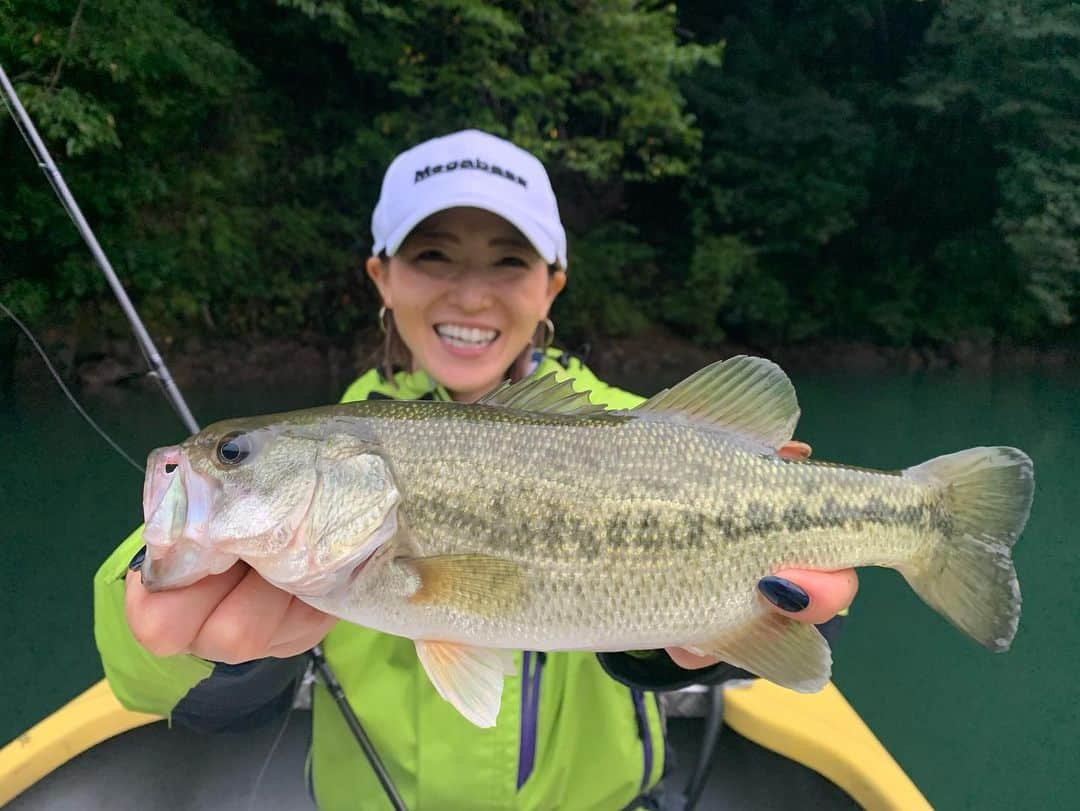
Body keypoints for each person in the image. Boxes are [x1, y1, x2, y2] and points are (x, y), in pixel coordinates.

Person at [94, 129, 858, 810]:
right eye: (432, 255)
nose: (470, 292)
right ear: (381, 276)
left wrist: (676, 646)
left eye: (508, 259)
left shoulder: (646, 428)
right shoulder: (327, 444)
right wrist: (205, 648)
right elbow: (134, 661)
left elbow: (777, 620)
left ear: (551, 283)